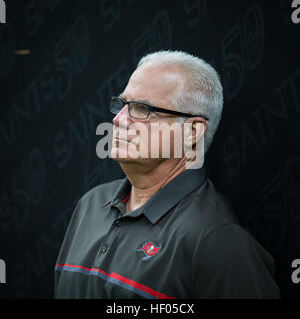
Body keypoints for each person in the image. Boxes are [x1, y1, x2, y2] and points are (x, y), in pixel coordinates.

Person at [54, 50, 280, 299]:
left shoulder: (218, 240)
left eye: (142, 109)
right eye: (122, 105)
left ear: (192, 132)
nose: (118, 120)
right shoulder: (91, 204)